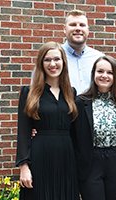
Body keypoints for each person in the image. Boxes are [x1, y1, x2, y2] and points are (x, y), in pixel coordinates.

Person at [16, 42, 79, 200]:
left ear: (63, 62)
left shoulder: (71, 93)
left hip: (66, 157)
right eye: (47, 60)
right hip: (40, 156)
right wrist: (24, 166)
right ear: (41, 63)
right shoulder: (29, 93)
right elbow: (23, 132)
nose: (52, 64)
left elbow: (76, 131)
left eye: (57, 59)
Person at [72, 55, 116, 200]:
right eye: (100, 71)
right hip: (91, 161)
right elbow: (73, 134)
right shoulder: (81, 101)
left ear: (115, 76)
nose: (104, 76)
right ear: (94, 74)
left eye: (109, 72)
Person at [62, 9, 104, 94]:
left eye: (82, 25)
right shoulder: (53, 57)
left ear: (88, 30)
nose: (78, 28)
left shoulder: (99, 58)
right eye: (73, 25)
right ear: (64, 29)